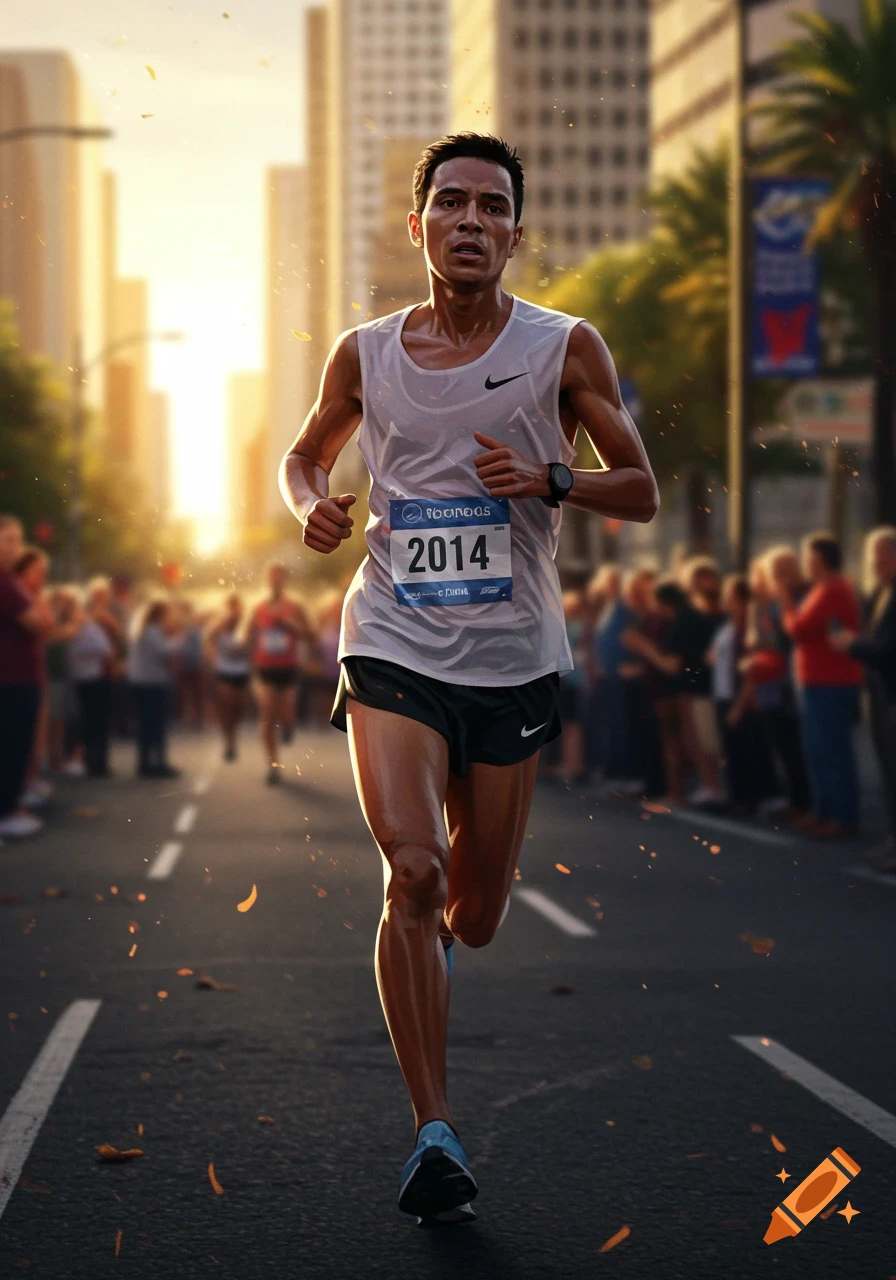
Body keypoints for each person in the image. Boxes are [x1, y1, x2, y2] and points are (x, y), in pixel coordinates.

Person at [278, 133, 658, 1225]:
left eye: (493, 207)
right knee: (412, 869)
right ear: (419, 227)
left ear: (515, 234)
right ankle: (433, 1130)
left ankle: (439, 937)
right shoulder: (365, 353)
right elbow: (304, 454)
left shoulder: (562, 346)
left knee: (476, 912)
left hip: (511, 656)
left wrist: (549, 478)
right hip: (393, 636)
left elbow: (638, 488)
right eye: (451, 203)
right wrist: (307, 504)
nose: (471, 221)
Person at [780, 532, 863, 838]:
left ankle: (842, 816)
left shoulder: (834, 589)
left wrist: (785, 600)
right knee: (817, 750)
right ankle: (823, 810)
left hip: (831, 682)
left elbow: (799, 629)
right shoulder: (822, 589)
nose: (805, 563)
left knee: (832, 751)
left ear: (820, 559)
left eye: (808, 557)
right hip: (816, 680)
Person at [830, 527, 896, 869]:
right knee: (887, 771)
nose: (875, 566)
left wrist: (852, 645)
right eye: (873, 560)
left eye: (882, 559)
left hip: (892, 694)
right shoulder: (881, 592)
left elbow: (888, 650)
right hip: (880, 695)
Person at [0, 517, 54, 837]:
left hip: (19, 678)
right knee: (13, 746)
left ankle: (11, 805)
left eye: (18, 541)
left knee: (17, 745)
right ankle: (7, 810)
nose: (16, 548)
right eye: (8, 540)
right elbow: (41, 624)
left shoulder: (10, 581)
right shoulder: (6, 584)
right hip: (12, 680)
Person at [707, 575, 779, 814]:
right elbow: (714, 654)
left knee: (748, 749)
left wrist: (739, 705)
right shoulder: (727, 627)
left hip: (740, 697)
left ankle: (752, 799)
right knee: (732, 750)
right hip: (723, 693)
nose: (726, 603)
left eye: (731, 598)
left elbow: (752, 670)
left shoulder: (749, 628)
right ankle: (737, 797)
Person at [248, 563, 314, 784]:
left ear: (285, 581)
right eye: (272, 577)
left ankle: (288, 725)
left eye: (279, 578)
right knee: (267, 715)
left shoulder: (295, 607)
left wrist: (292, 627)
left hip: (288, 668)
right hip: (264, 668)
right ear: (267, 581)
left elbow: (311, 634)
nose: (275, 581)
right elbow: (248, 636)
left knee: (287, 711)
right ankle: (272, 765)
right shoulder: (258, 608)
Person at [127, 599, 183, 779]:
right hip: (152, 682)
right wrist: (178, 640)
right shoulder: (153, 631)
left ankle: (146, 762)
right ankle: (156, 762)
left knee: (146, 724)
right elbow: (165, 651)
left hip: (142, 681)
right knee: (155, 725)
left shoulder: (143, 630)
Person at [66, 582, 116, 778]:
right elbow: (103, 649)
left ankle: (95, 761)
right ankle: (94, 762)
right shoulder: (85, 625)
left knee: (94, 722)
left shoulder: (93, 623)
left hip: (92, 676)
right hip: (92, 677)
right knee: (94, 723)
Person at [207, 592, 252, 761]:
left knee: (238, 708)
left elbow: (252, 644)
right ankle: (229, 742)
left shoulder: (245, 625)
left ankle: (233, 734)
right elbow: (208, 637)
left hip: (242, 670)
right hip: (224, 670)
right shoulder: (220, 625)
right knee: (227, 706)